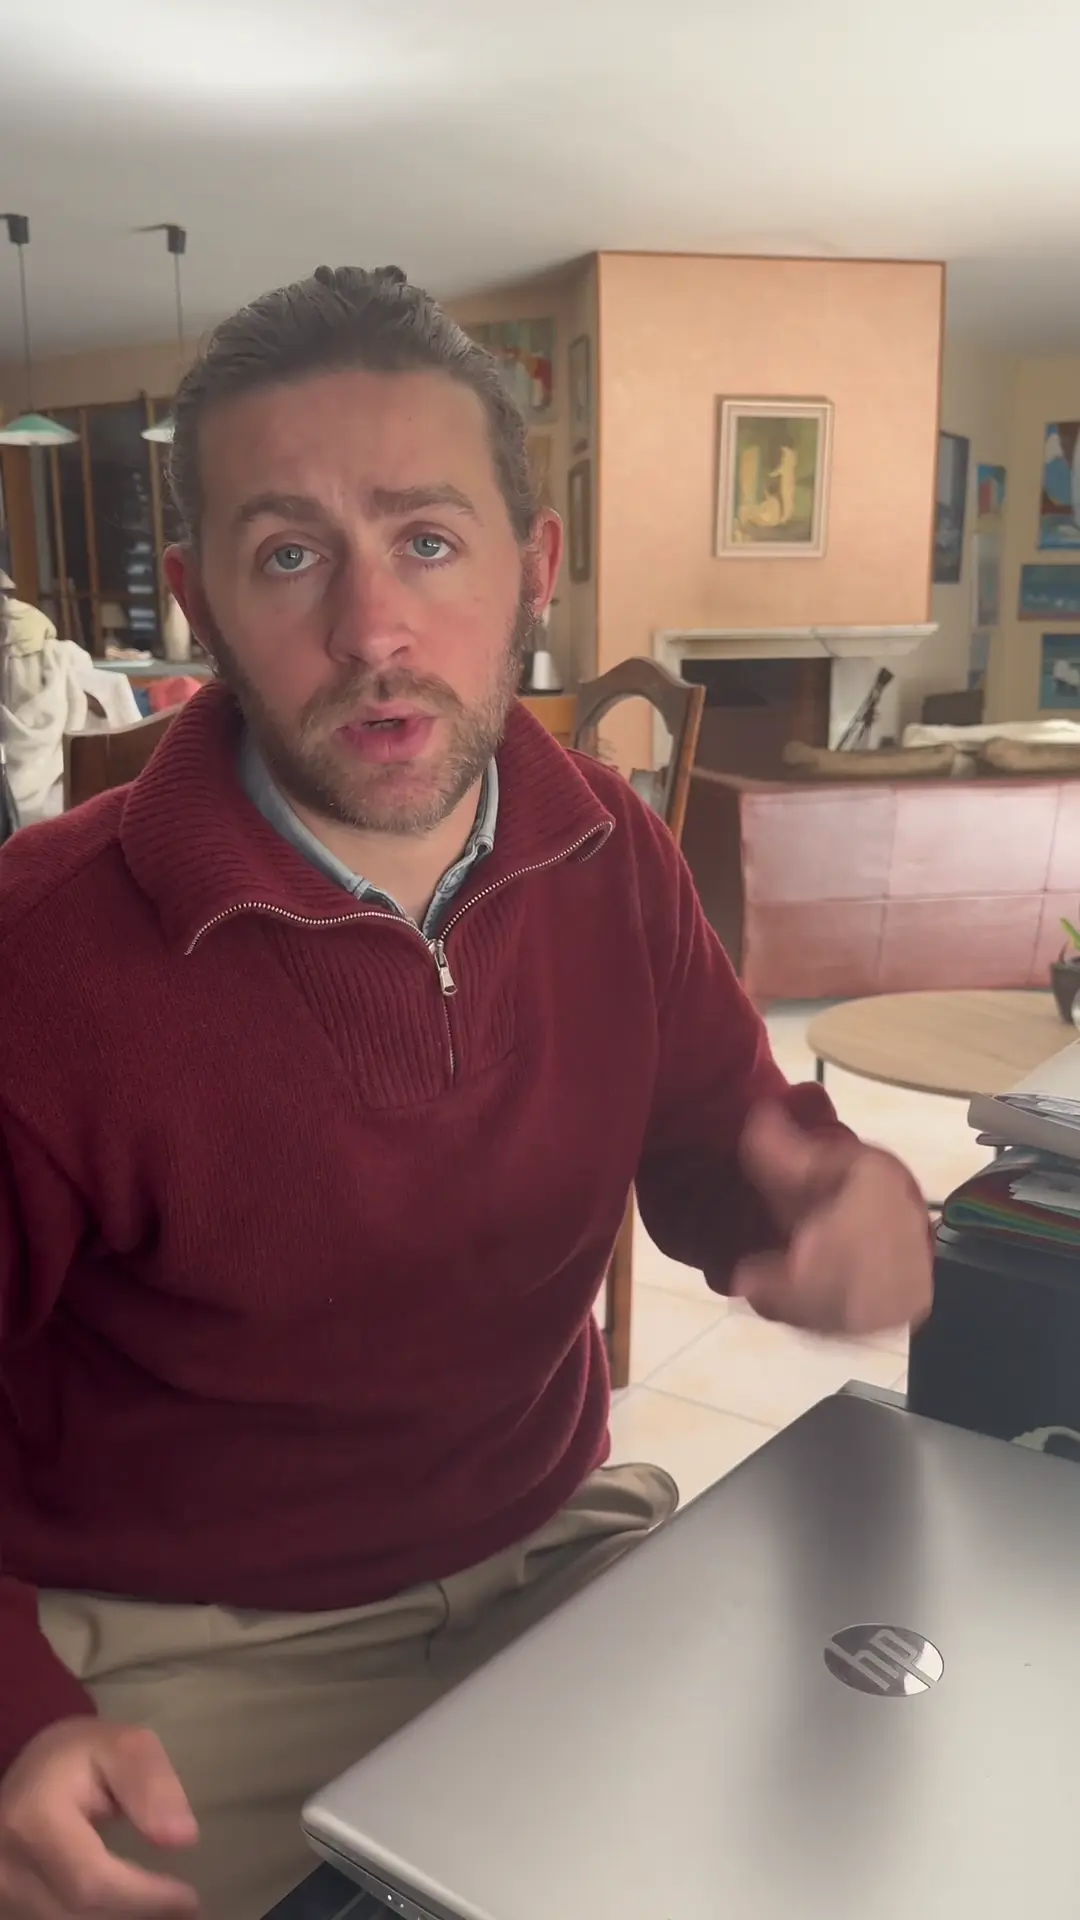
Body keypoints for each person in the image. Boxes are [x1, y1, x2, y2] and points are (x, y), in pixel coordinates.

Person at [0, 265, 933, 1920]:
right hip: (186, 1657)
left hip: (549, 1559)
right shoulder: (41, 953)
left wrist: (834, 1202)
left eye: (428, 541)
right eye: (290, 554)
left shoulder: (613, 850)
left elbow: (728, 1149)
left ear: (534, 568)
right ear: (199, 600)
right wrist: (18, 1723)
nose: (373, 630)